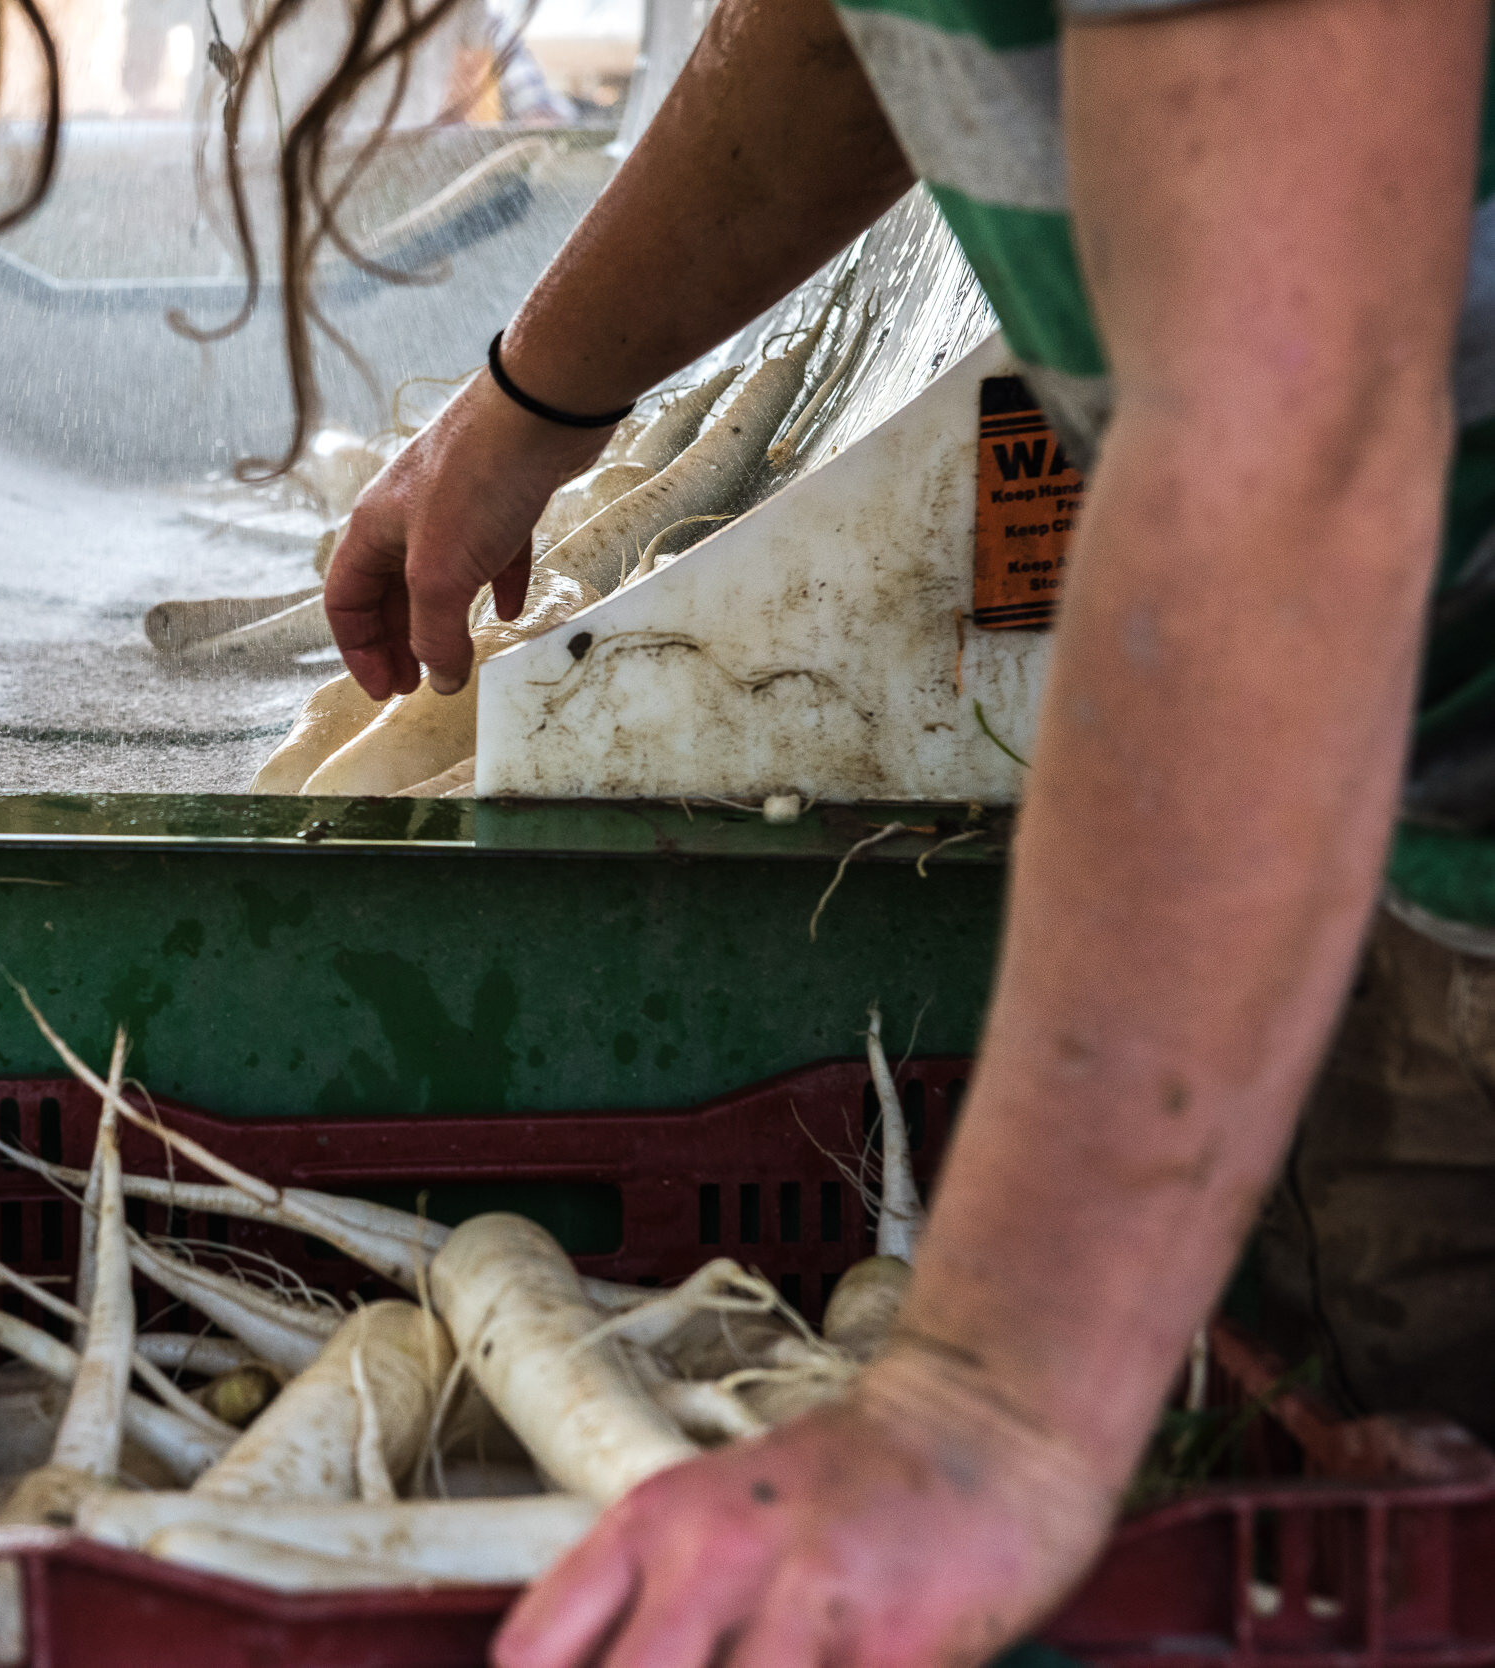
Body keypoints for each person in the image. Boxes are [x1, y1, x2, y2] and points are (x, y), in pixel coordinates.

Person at [322, 0, 1495, 1662]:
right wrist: (533, 406)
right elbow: (842, 28)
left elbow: (1284, 438)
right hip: (1389, 793)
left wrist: (988, 1408)